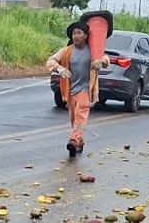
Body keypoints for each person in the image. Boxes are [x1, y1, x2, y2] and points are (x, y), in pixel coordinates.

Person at [46, 19, 111, 157]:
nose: (75, 36)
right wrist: (60, 68)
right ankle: (79, 142)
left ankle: (73, 140)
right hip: (71, 91)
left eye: (79, 33)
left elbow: (105, 59)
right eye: (74, 33)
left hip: (86, 90)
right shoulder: (67, 51)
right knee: (74, 120)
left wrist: (101, 63)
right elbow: (50, 61)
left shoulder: (93, 50)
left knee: (81, 115)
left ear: (86, 35)